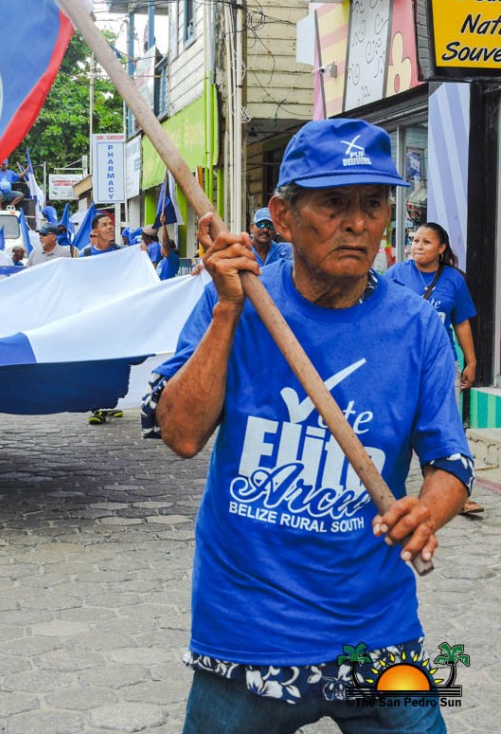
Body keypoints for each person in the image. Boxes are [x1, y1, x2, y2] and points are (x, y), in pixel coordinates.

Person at [143, 118, 474, 734]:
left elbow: (451, 463)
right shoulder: (236, 298)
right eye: (333, 204)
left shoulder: (418, 328)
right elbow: (181, 435)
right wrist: (227, 310)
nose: (358, 223)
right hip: (247, 632)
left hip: (374, 631)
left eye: (373, 204)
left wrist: (426, 512)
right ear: (284, 216)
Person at [385, 222, 482, 515]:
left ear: (441, 248)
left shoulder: (454, 280)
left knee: (447, 428)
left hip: (442, 364)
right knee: (396, 428)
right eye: (415, 240)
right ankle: (386, 492)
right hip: (400, 365)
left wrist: (471, 361)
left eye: (426, 242)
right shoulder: (395, 275)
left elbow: (461, 322)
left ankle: (456, 495)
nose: (417, 246)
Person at [78, 212, 123, 424]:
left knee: (115, 360)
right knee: (95, 361)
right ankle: (96, 407)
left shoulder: (122, 253)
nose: (110, 227)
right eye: (104, 224)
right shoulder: (85, 255)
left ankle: (112, 402)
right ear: (95, 231)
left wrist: (141, 253)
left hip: (115, 316)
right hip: (93, 316)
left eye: (111, 224)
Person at [155, 213, 180, 280]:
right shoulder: (162, 261)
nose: (161, 248)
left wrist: (163, 224)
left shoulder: (172, 259)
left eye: (162, 246)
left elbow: (165, 243)